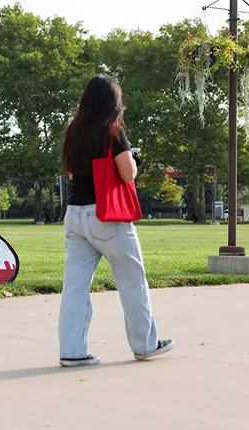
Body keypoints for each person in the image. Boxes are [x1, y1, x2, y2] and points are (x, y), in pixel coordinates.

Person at [57, 75, 174, 367]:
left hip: (75, 214)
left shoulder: (73, 131)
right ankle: (145, 344)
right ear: (113, 103)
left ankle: (72, 351)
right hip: (107, 215)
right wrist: (133, 158)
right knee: (132, 281)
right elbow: (127, 174)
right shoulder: (112, 131)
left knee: (75, 288)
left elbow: (71, 172)